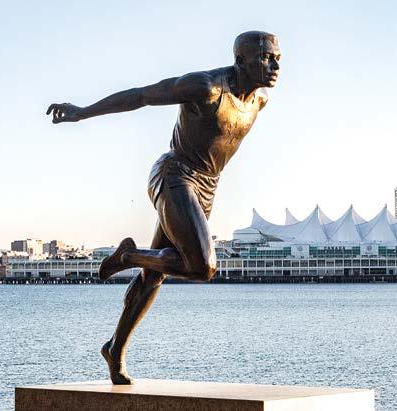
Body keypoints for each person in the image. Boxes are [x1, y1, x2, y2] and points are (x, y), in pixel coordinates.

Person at [46, 30, 281, 384]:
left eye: (278, 58)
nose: (275, 65)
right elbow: (142, 95)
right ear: (240, 61)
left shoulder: (259, 101)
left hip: (206, 188)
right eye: (266, 58)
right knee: (202, 266)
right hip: (174, 174)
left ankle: (115, 349)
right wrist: (82, 113)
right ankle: (127, 256)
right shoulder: (206, 88)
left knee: (155, 274)